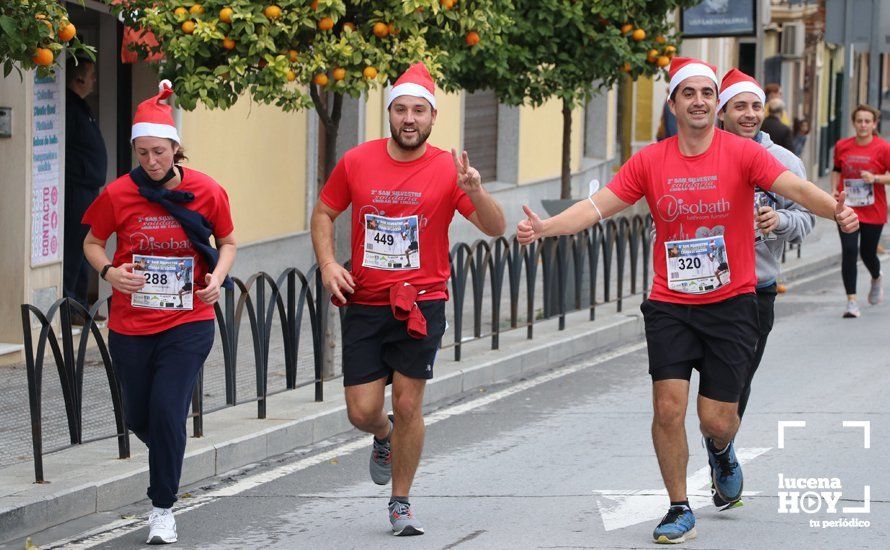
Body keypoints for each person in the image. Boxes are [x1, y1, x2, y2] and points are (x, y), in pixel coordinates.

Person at [516, 57, 858, 545]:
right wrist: (545, 227)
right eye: (689, 93)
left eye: (705, 93)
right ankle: (679, 507)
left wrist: (835, 211)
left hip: (733, 302)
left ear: (712, 103)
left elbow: (796, 188)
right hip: (670, 302)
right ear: (673, 103)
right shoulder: (651, 161)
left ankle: (719, 447)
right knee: (667, 407)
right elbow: (598, 206)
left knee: (717, 418)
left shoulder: (743, 155)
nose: (698, 101)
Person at [310, 63, 505, 536]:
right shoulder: (357, 161)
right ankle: (382, 434)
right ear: (390, 114)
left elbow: (496, 227)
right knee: (361, 409)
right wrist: (329, 264)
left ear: (433, 117)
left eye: (419, 110)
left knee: (410, 403)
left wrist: (476, 191)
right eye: (401, 109)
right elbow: (323, 211)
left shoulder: (447, 168)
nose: (409, 118)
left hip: (422, 302)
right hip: (365, 299)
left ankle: (401, 502)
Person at [81, 81, 236, 545]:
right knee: (138, 416)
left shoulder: (208, 191)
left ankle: (162, 509)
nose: (152, 162)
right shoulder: (117, 194)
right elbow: (91, 242)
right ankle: (168, 450)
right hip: (130, 322)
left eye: (161, 152)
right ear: (135, 150)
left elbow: (227, 242)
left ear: (175, 149)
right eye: (144, 153)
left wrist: (218, 278)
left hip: (188, 320)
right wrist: (110, 272)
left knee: (169, 411)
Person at [716, 69, 814, 472]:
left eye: (756, 106)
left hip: (757, 290)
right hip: (701, 290)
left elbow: (806, 218)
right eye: (740, 106)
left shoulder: (784, 162)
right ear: (722, 112)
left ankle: (721, 452)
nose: (750, 114)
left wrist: (781, 221)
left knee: (735, 383)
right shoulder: (699, 155)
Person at [832, 103, 890, 317]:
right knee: (849, 251)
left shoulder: (883, 148)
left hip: (873, 209)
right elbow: (837, 170)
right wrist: (833, 190)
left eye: (867, 121)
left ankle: (876, 276)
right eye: (859, 121)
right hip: (847, 207)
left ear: (874, 124)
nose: (863, 125)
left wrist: (874, 178)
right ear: (854, 123)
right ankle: (852, 302)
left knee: (867, 252)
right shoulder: (842, 145)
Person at [64, 56, 107, 320]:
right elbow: (66, 148)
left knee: (85, 245)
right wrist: (80, 172)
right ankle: (70, 305)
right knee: (74, 245)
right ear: (79, 78)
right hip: (76, 188)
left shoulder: (81, 105)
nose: (94, 81)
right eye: (91, 76)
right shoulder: (70, 106)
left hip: (89, 188)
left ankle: (80, 304)